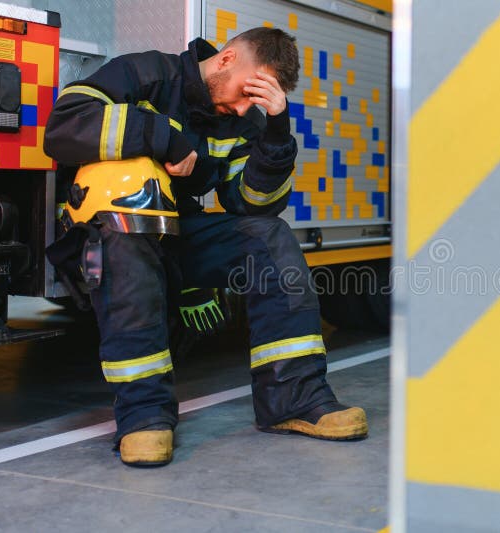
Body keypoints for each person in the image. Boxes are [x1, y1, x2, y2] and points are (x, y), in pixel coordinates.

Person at [43, 27, 368, 467]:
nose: (240, 108)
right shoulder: (147, 73)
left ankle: (294, 400)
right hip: (110, 236)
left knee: (270, 238)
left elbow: (252, 204)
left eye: (254, 102)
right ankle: (143, 418)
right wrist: (162, 136)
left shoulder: (245, 118)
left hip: (178, 234)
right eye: (242, 94)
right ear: (227, 59)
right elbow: (64, 126)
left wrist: (275, 132)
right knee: (129, 231)